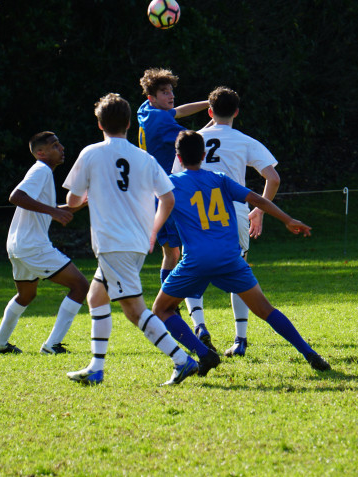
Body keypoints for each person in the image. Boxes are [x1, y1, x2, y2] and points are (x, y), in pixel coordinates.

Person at [63, 93, 219, 386]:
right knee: (96, 297)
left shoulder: (91, 153)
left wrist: (86, 196)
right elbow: (167, 197)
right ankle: (96, 367)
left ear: (99, 125)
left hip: (114, 243)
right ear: (129, 123)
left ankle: (182, 361)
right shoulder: (143, 157)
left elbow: (72, 200)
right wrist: (153, 229)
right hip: (134, 242)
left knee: (134, 311)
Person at [152, 130, 331, 372]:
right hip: (229, 257)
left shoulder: (171, 184)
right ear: (204, 155)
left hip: (197, 260)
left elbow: (152, 208)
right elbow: (258, 200)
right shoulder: (220, 178)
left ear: (179, 158)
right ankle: (309, 353)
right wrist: (287, 219)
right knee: (266, 310)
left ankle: (204, 354)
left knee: (161, 309)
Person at [173, 86, 280, 357]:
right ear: (236, 112)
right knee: (239, 274)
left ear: (209, 112)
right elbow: (273, 177)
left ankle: (200, 327)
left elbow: (176, 176)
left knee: (191, 270)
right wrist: (260, 211)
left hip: (197, 214)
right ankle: (240, 339)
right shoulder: (244, 140)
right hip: (234, 213)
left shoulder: (193, 138)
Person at [0, 132, 89, 355]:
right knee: (80, 286)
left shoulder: (44, 174)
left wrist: (84, 202)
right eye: (55, 145)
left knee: (26, 295)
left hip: (17, 245)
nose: (61, 148)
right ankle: (52, 345)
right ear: (41, 153)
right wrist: (53, 211)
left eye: (60, 144)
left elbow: (54, 209)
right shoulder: (41, 170)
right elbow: (16, 196)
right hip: (33, 246)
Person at [137, 67, 214, 349]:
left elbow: (178, 111)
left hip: (154, 192)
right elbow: (195, 140)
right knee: (183, 254)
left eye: (171, 91)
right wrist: (217, 121)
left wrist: (207, 104)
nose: (170, 96)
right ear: (151, 96)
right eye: (164, 93)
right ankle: (173, 307)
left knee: (172, 253)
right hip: (166, 194)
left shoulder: (145, 110)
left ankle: (172, 305)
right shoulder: (160, 123)